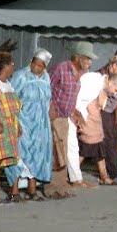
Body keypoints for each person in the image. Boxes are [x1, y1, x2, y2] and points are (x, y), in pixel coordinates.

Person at [4, 49, 55, 200]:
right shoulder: (21, 76)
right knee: (20, 154)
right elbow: (12, 99)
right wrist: (15, 121)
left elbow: (47, 100)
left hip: (40, 123)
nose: (36, 68)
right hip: (24, 120)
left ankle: (32, 190)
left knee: (37, 155)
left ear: (44, 67)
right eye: (34, 63)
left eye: (40, 65)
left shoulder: (46, 77)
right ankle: (14, 191)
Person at [48, 41, 98, 189]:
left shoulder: (81, 74)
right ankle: (55, 185)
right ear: (77, 57)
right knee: (58, 150)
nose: (90, 62)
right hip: (55, 115)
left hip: (67, 115)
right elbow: (46, 87)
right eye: (87, 59)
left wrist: (76, 113)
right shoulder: (61, 68)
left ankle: (71, 181)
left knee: (69, 148)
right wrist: (50, 109)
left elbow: (71, 98)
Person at [75, 72, 117, 185]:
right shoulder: (94, 82)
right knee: (87, 146)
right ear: (110, 82)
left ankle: (103, 176)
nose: (115, 94)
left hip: (95, 117)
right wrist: (80, 117)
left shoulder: (104, 86)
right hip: (86, 115)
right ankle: (74, 175)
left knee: (99, 146)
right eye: (116, 90)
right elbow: (80, 99)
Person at [0, 51, 23, 202]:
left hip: (10, 128)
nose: (14, 67)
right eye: (12, 64)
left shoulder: (8, 85)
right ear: (6, 66)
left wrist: (18, 124)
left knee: (0, 162)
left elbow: (14, 108)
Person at [97, 52, 117, 180]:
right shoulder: (101, 75)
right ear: (114, 65)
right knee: (107, 140)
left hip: (109, 111)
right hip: (100, 110)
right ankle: (112, 173)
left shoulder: (114, 75)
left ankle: (112, 171)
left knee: (114, 139)